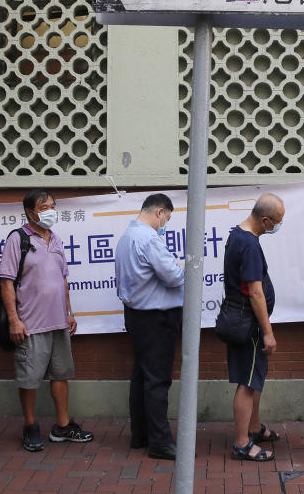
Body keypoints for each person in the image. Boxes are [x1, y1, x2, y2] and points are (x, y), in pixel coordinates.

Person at [0, 189, 92, 452]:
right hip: (31, 324)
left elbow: (63, 279)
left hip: (59, 323)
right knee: (29, 378)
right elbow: (6, 281)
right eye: (44, 207)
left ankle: (62, 426)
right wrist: (14, 320)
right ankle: (30, 426)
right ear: (29, 212)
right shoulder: (18, 239)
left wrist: (69, 313)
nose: (50, 211)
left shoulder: (57, 239)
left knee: (61, 375)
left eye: (53, 206)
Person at [114, 193, 185, 460]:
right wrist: (182, 267)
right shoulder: (148, 239)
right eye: (168, 217)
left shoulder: (127, 237)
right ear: (159, 212)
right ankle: (160, 443)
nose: (166, 222)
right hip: (156, 319)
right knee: (157, 380)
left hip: (137, 316)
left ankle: (141, 435)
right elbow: (173, 276)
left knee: (142, 377)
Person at [225, 193, 284, 462]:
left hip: (247, 322)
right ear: (264, 219)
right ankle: (241, 443)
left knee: (254, 378)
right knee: (247, 383)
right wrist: (268, 331)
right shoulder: (248, 244)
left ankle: (253, 428)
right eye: (276, 222)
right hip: (249, 325)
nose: (277, 226)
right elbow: (255, 292)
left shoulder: (239, 235)